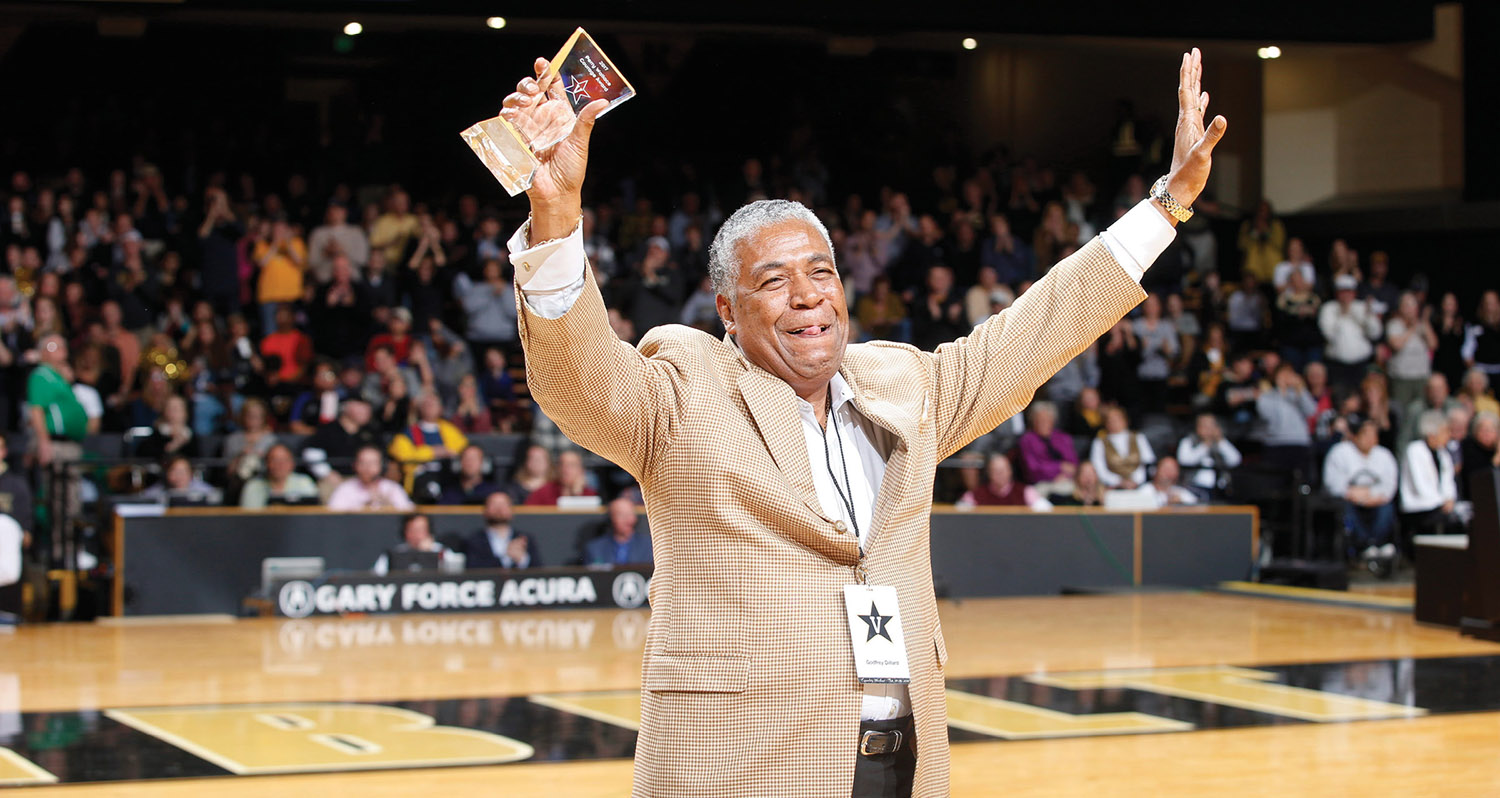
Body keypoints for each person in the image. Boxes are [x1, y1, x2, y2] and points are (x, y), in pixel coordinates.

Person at [500, 45, 1225, 797]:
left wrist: (1166, 205)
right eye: (773, 282)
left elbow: (1038, 327)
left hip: (899, 769)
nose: (809, 296)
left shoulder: (906, 384)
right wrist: (555, 217)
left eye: (822, 272)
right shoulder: (684, 393)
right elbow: (579, 377)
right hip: (743, 768)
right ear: (726, 312)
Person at [1323, 418, 1400, 567]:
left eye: (1374, 435)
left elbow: (1389, 486)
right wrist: (1354, 494)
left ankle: (1377, 544)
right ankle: (1363, 545)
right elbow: (1333, 484)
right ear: (1355, 436)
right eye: (1367, 435)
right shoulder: (1340, 452)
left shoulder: (1384, 455)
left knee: (1387, 507)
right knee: (1346, 508)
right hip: (1349, 501)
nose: (1371, 439)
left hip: (1375, 501)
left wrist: (1370, 495)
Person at [387, 389, 469, 491]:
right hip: (419, 481)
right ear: (420, 408)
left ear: (441, 408)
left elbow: (462, 450)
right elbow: (403, 456)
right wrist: (432, 452)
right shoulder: (409, 432)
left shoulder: (449, 430)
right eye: (427, 404)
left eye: (433, 404)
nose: (430, 407)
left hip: (448, 477)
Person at [1399, 410, 1459, 540]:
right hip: (1419, 506)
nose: (1449, 435)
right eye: (1445, 431)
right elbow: (1421, 485)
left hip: (1439, 505)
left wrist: (1450, 499)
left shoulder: (1443, 453)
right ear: (1432, 434)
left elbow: (1449, 482)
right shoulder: (1414, 450)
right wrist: (1443, 501)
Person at [1318, 274, 1381, 391]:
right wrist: (1343, 315)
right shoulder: (1328, 308)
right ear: (1337, 293)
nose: (1346, 295)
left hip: (1361, 364)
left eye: (1349, 291)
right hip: (1337, 366)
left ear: (1354, 293)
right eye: (1342, 291)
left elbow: (1375, 333)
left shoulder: (1362, 307)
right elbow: (1329, 335)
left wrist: (1369, 317)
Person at [462, 491, 540, 569]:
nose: (499, 509)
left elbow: (540, 571)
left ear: (512, 510)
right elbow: (473, 569)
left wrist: (522, 559)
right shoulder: (475, 540)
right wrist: (505, 558)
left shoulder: (524, 539)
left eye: (503, 505)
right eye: (494, 505)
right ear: (485, 510)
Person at [1385, 292, 1436, 408]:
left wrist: (1425, 322)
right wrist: (1412, 328)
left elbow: (1433, 344)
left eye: (1413, 305)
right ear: (1400, 308)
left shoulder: (1422, 325)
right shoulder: (1394, 324)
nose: (1410, 309)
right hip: (1402, 378)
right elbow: (1396, 345)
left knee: (1420, 410)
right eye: (1406, 305)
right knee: (1401, 411)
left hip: (1421, 377)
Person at [1014, 401, 1077, 494]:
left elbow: (1073, 466)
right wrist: (1059, 467)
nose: (1043, 423)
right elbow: (1032, 469)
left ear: (1053, 421)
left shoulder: (1063, 438)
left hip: (1065, 481)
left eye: (1047, 420)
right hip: (1040, 484)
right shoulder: (1027, 440)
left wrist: (1065, 475)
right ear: (1033, 421)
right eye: (1040, 420)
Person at [326, 445, 414, 511]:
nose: (367, 467)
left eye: (372, 463)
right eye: (363, 462)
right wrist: (364, 507)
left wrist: (388, 505)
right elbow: (333, 515)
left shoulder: (392, 488)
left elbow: (407, 512)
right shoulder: (345, 488)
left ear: (381, 466)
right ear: (355, 465)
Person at [1175, 412, 1241, 501]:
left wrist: (1221, 441)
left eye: (1212, 426)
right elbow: (1184, 461)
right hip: (1192, 488)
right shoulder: (1188, 441)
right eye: (1205, 426)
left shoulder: (1221, 443)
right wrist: (1206, 444)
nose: (1209, 429)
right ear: (1197, 427)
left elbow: (1235, 460)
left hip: (1219, 489)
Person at [1090, 406, 1155, 489]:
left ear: (1125, 420)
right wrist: (1118, 482)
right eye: (1110, 419)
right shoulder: (1099, 442)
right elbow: (1098, 468)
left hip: (1139, 485)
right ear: (1105, 422)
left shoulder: (1138, 437)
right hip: (1112, 487)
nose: (1114, 422)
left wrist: (1136, 480)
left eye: (1117, 418)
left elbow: (1148, 462)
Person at [957, 453, 1050, 510]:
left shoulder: (1026, 492)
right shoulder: (975, 495)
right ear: (989, 473)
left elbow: (1049, 512)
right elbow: (957, 514)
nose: (999, 475)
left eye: (1002, 470)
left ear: (1010, 471)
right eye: (995, 471)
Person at [240, 443, 319, 508]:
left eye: (284, 460)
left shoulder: (304, 482)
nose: (280, 465)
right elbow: (248, 519)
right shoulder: (253, 486)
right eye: (274, 460)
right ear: (267, 463)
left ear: (292, 463)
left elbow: (312, 513)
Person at [372, 513, 453, 575]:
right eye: (413, 530)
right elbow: (376, 575)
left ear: (429, 531)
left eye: (421, 530)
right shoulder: (395, 553)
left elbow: (456, 574)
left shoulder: (442, 551)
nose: (417, 535)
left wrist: (428, 554)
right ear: (405, 533)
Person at [583, 496, 653, 566]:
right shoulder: (595, 548)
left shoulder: (650, 546)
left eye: (630, 514)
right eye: (621, 515)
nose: (628, 520)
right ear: (611, 518)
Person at [523, 449, 598, 506]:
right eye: (562, 465)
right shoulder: (543, 493)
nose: (566, 469)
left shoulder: (590, 494)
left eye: (572, 465)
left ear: (581, 470)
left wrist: (577, 495)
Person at [140, 456, 222, 506]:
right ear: (167, 473)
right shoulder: (159, 490)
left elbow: (216, 496)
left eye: (183, 472)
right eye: (175, 471)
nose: (179, 476)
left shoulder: (201, 489)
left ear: (190, 473)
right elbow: (143, 498)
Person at [438, 444, 504, 505]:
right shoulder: (449, 493)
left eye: (474, 458)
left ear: (483, 463)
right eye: (466, 458)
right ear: (460, 463)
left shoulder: (493, 493)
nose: (470, 463)